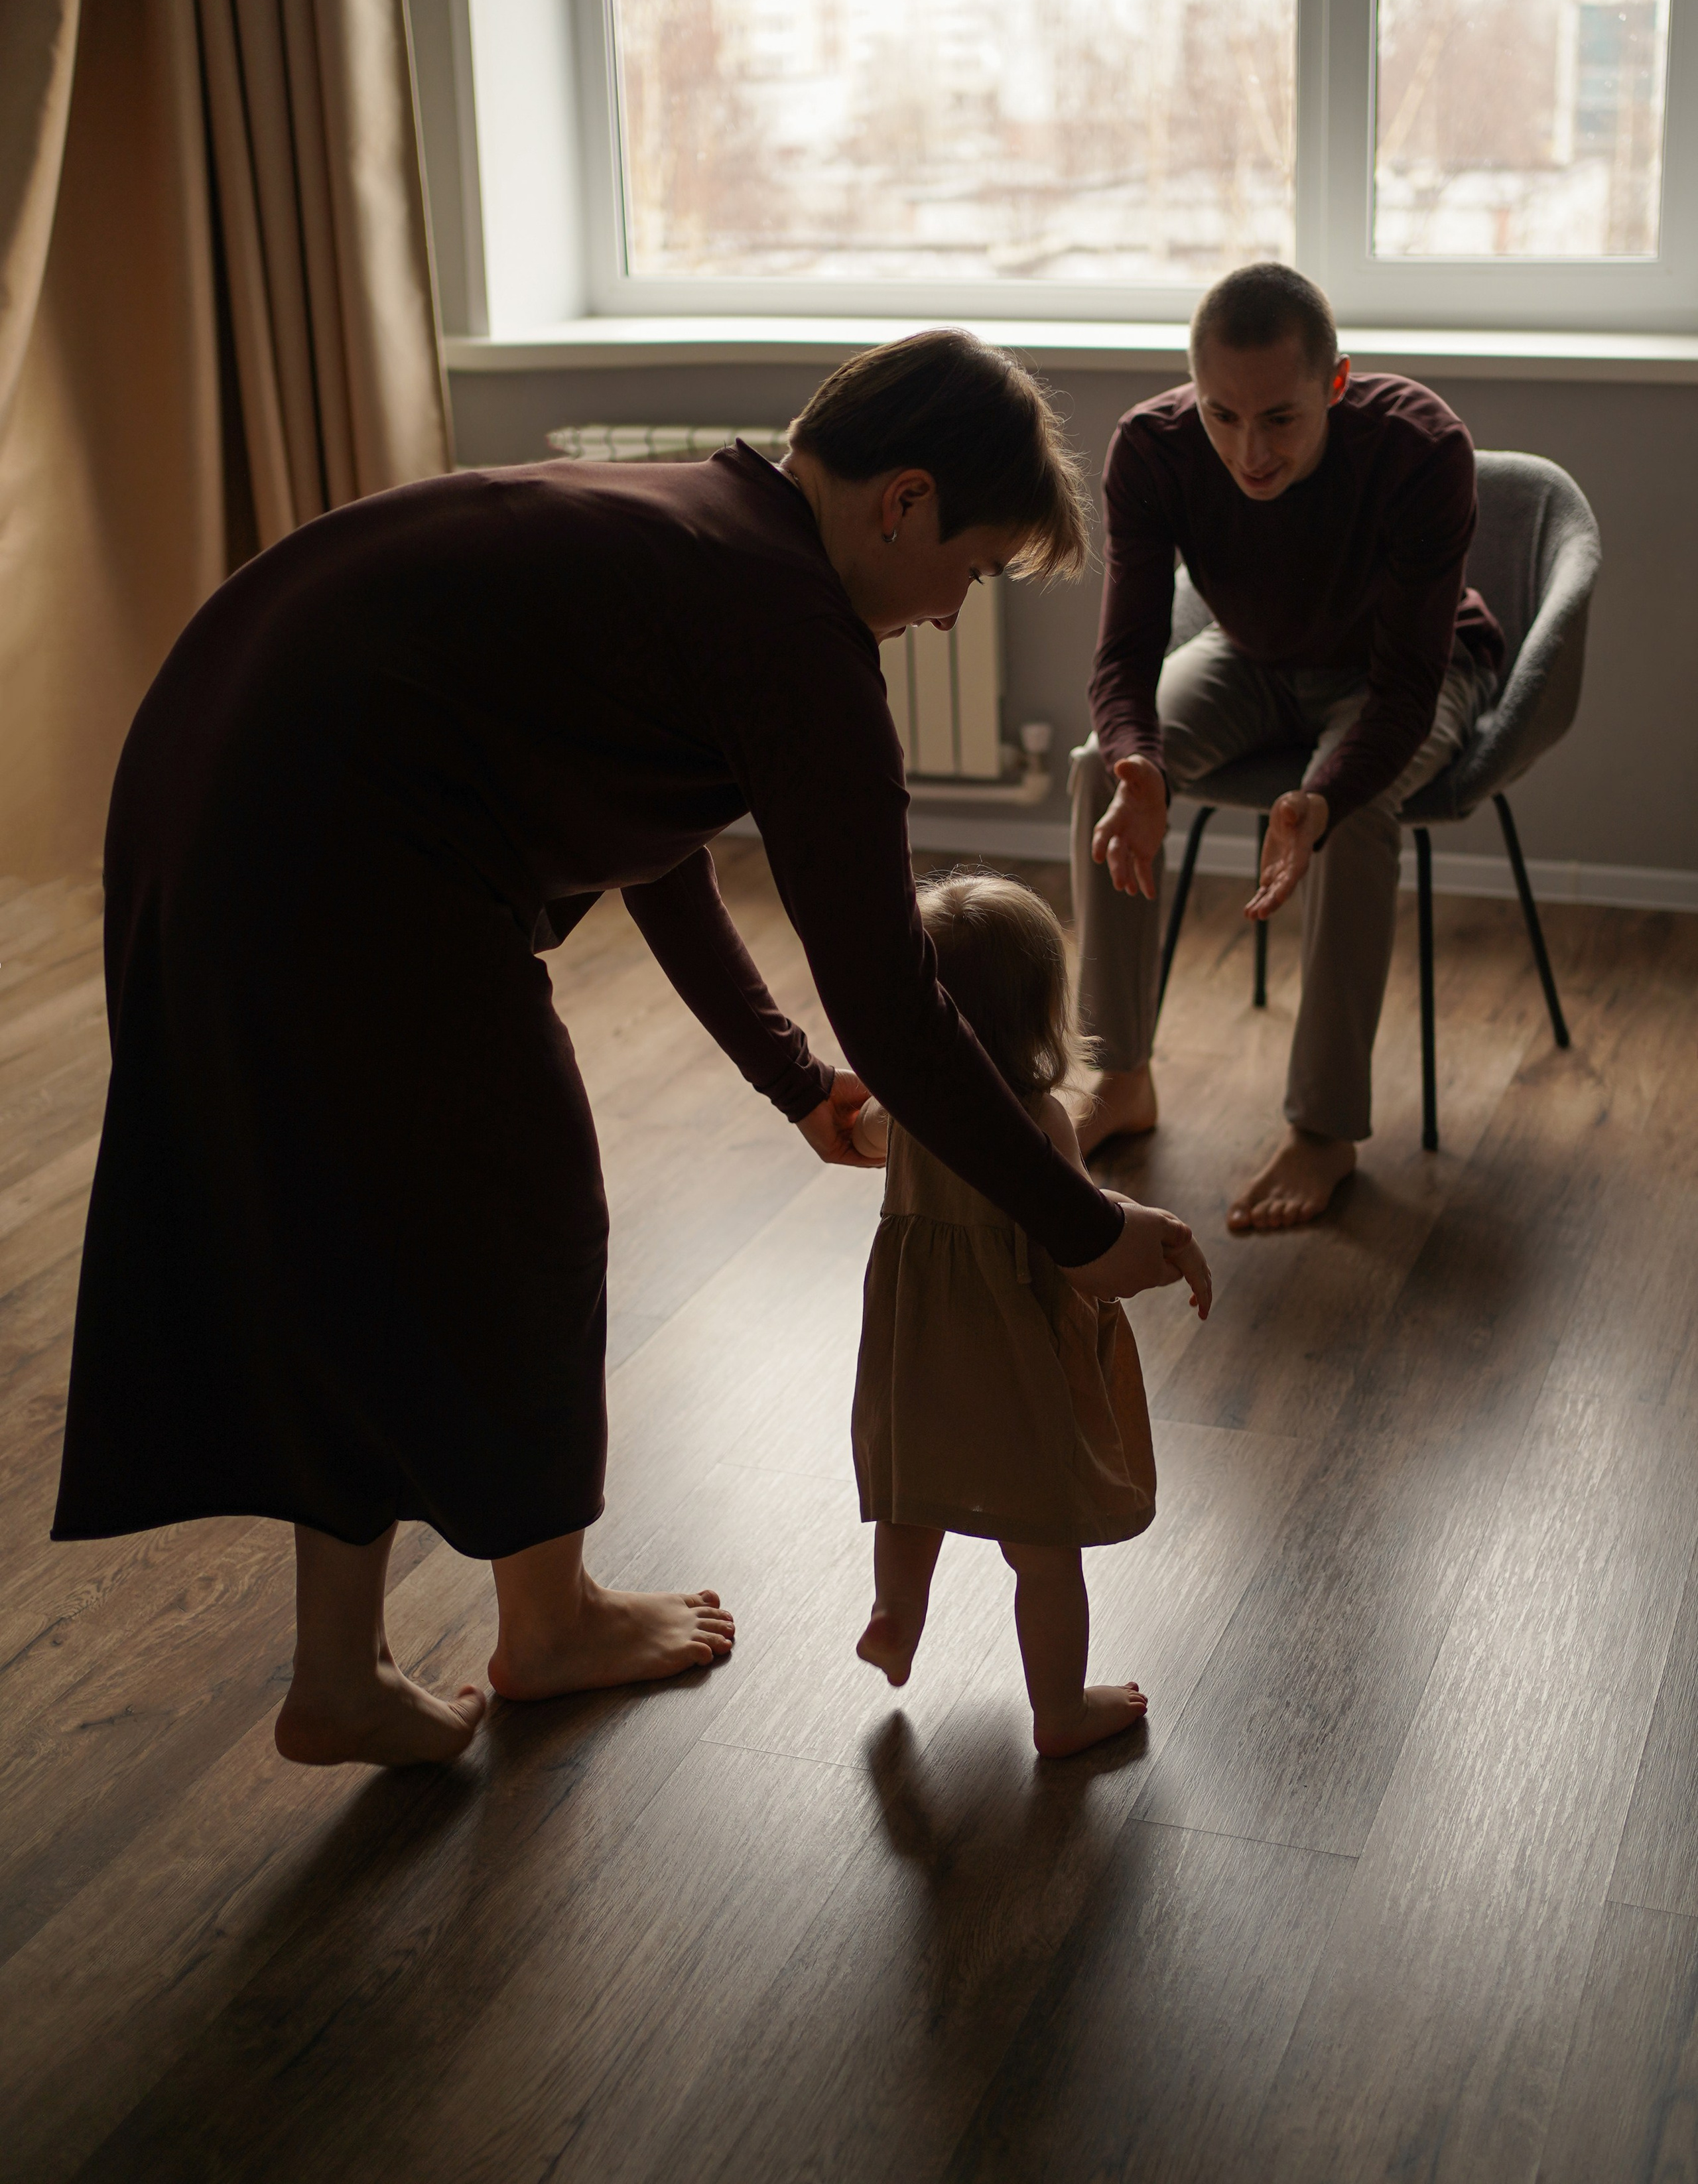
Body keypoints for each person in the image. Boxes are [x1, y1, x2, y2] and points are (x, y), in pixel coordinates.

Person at [53, 328, 1193, 1771]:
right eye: (968, 572)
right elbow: (894, 1000)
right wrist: (1076, 1225)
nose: (953, 615)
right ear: (902, 503)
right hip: (331, 844)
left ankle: (352, 1673)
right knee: (522, 1214)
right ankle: (548, 1624)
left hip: (206, 790)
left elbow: (656, 845)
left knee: (366, 1235)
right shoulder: (792, 630)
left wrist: (788, 1081)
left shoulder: (705, 534)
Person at [1071, 263, 1504, 1231]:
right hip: (1251, 655)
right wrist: (1138, 762)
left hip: (1400, 671)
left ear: (1336, 385)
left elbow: (1402, 693)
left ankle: (1324, 1130)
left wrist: (1323, 797)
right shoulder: (1152, 448)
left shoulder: (1420, 447)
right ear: (1194, 390)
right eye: (1223, 416)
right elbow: (1127, 655)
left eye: (1280, 418)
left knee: (1356, 810)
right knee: (1101, 769)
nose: (1249, 450)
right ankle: (1120, 1074)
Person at [850, 873, 1211, 1759]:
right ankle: (1059, 1713)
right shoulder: (1043, 1118)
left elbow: (859, 1135)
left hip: (916, 1344)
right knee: (1045, 1551)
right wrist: (1156, 1233)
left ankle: (895, 1617)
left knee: (911, 1494)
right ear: (1044, 1016)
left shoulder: (899, 1109)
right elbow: (1076, 1225)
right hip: (1012, 1352)